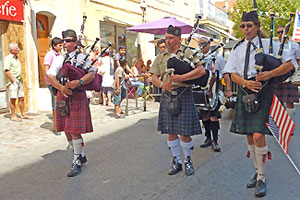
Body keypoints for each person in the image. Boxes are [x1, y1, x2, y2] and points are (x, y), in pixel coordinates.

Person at [223, 11, 295, 197]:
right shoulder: (237, 48)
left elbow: (290, 65)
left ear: (257, 26)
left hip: (264, 90)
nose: (246, 29)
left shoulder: (271, 44)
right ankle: (257, 172)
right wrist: (245, 83)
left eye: (249, 25)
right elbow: (232, 73)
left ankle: (262, 177)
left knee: (257, 136)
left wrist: (270, 74)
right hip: (246, 91)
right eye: (243, 26)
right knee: (249, 136)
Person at [150, 25, 206, 176]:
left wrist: (182, 77)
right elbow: (153, 76)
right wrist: (162, 84)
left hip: (184, 94)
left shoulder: (188, 52)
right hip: (167, 95)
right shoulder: (161, 56)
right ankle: (177, 161)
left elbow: (201, 70)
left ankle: (187, 160)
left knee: (184, 133)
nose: (168, 41)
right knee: (171, 131)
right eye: (166, 38)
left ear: (179, 39)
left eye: (171, 38)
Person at [47, 29, 96, 177]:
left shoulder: (83, 58)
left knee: (75, 131)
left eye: (68, 41)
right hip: (63, 96)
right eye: (64, 41)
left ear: (75, 42)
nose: (65, 43)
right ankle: (80, 153)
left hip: (77, 95)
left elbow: (92, 74)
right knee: (67, 129)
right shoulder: (59, 59)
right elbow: (50, 75)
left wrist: (79, 82)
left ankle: (77, 161)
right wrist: (61, 88)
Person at [197, 37, 222, 152]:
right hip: (200, 89)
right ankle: (208, 138)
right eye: (199, 44)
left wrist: (227, 89)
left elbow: (224, 73)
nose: (201, 46)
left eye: (203, 43)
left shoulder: (217, 58)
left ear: (209, 44)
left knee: (213, 115)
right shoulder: (197, 58)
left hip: (214, 89)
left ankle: (215, 141)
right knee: (204, 115)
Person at [273, 26, 300, 118]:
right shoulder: (274, 45)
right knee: (277, 101)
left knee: (290, 101)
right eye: (278, 32)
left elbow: (298, 60)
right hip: (277, 75)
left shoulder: (295, 45)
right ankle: (279, 124)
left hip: (290, 75)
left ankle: (289, 124)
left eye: (282, 32)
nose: (280, 34)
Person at [4, 43, 32, 122]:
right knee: (13, 98)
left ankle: (23, 114)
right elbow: (6, 70)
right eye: (17, 49)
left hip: (19, 80)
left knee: (21, 97)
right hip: (13, 81)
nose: (18, 50)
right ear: (12, 50)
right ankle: (13, 115)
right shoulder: (8, 58)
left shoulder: (16, 58)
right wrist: (13, 80)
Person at [44, 37, 63, 133]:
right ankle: (56, 127)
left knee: (59, 104)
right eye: (60, 45)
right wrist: (51, 80)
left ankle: (59, 125)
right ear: (54, 45)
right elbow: (46, 69)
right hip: (52, 83)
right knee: (55, 105)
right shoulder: (50, 55)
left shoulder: (58, 55)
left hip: (58, 82)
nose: (61, 47)